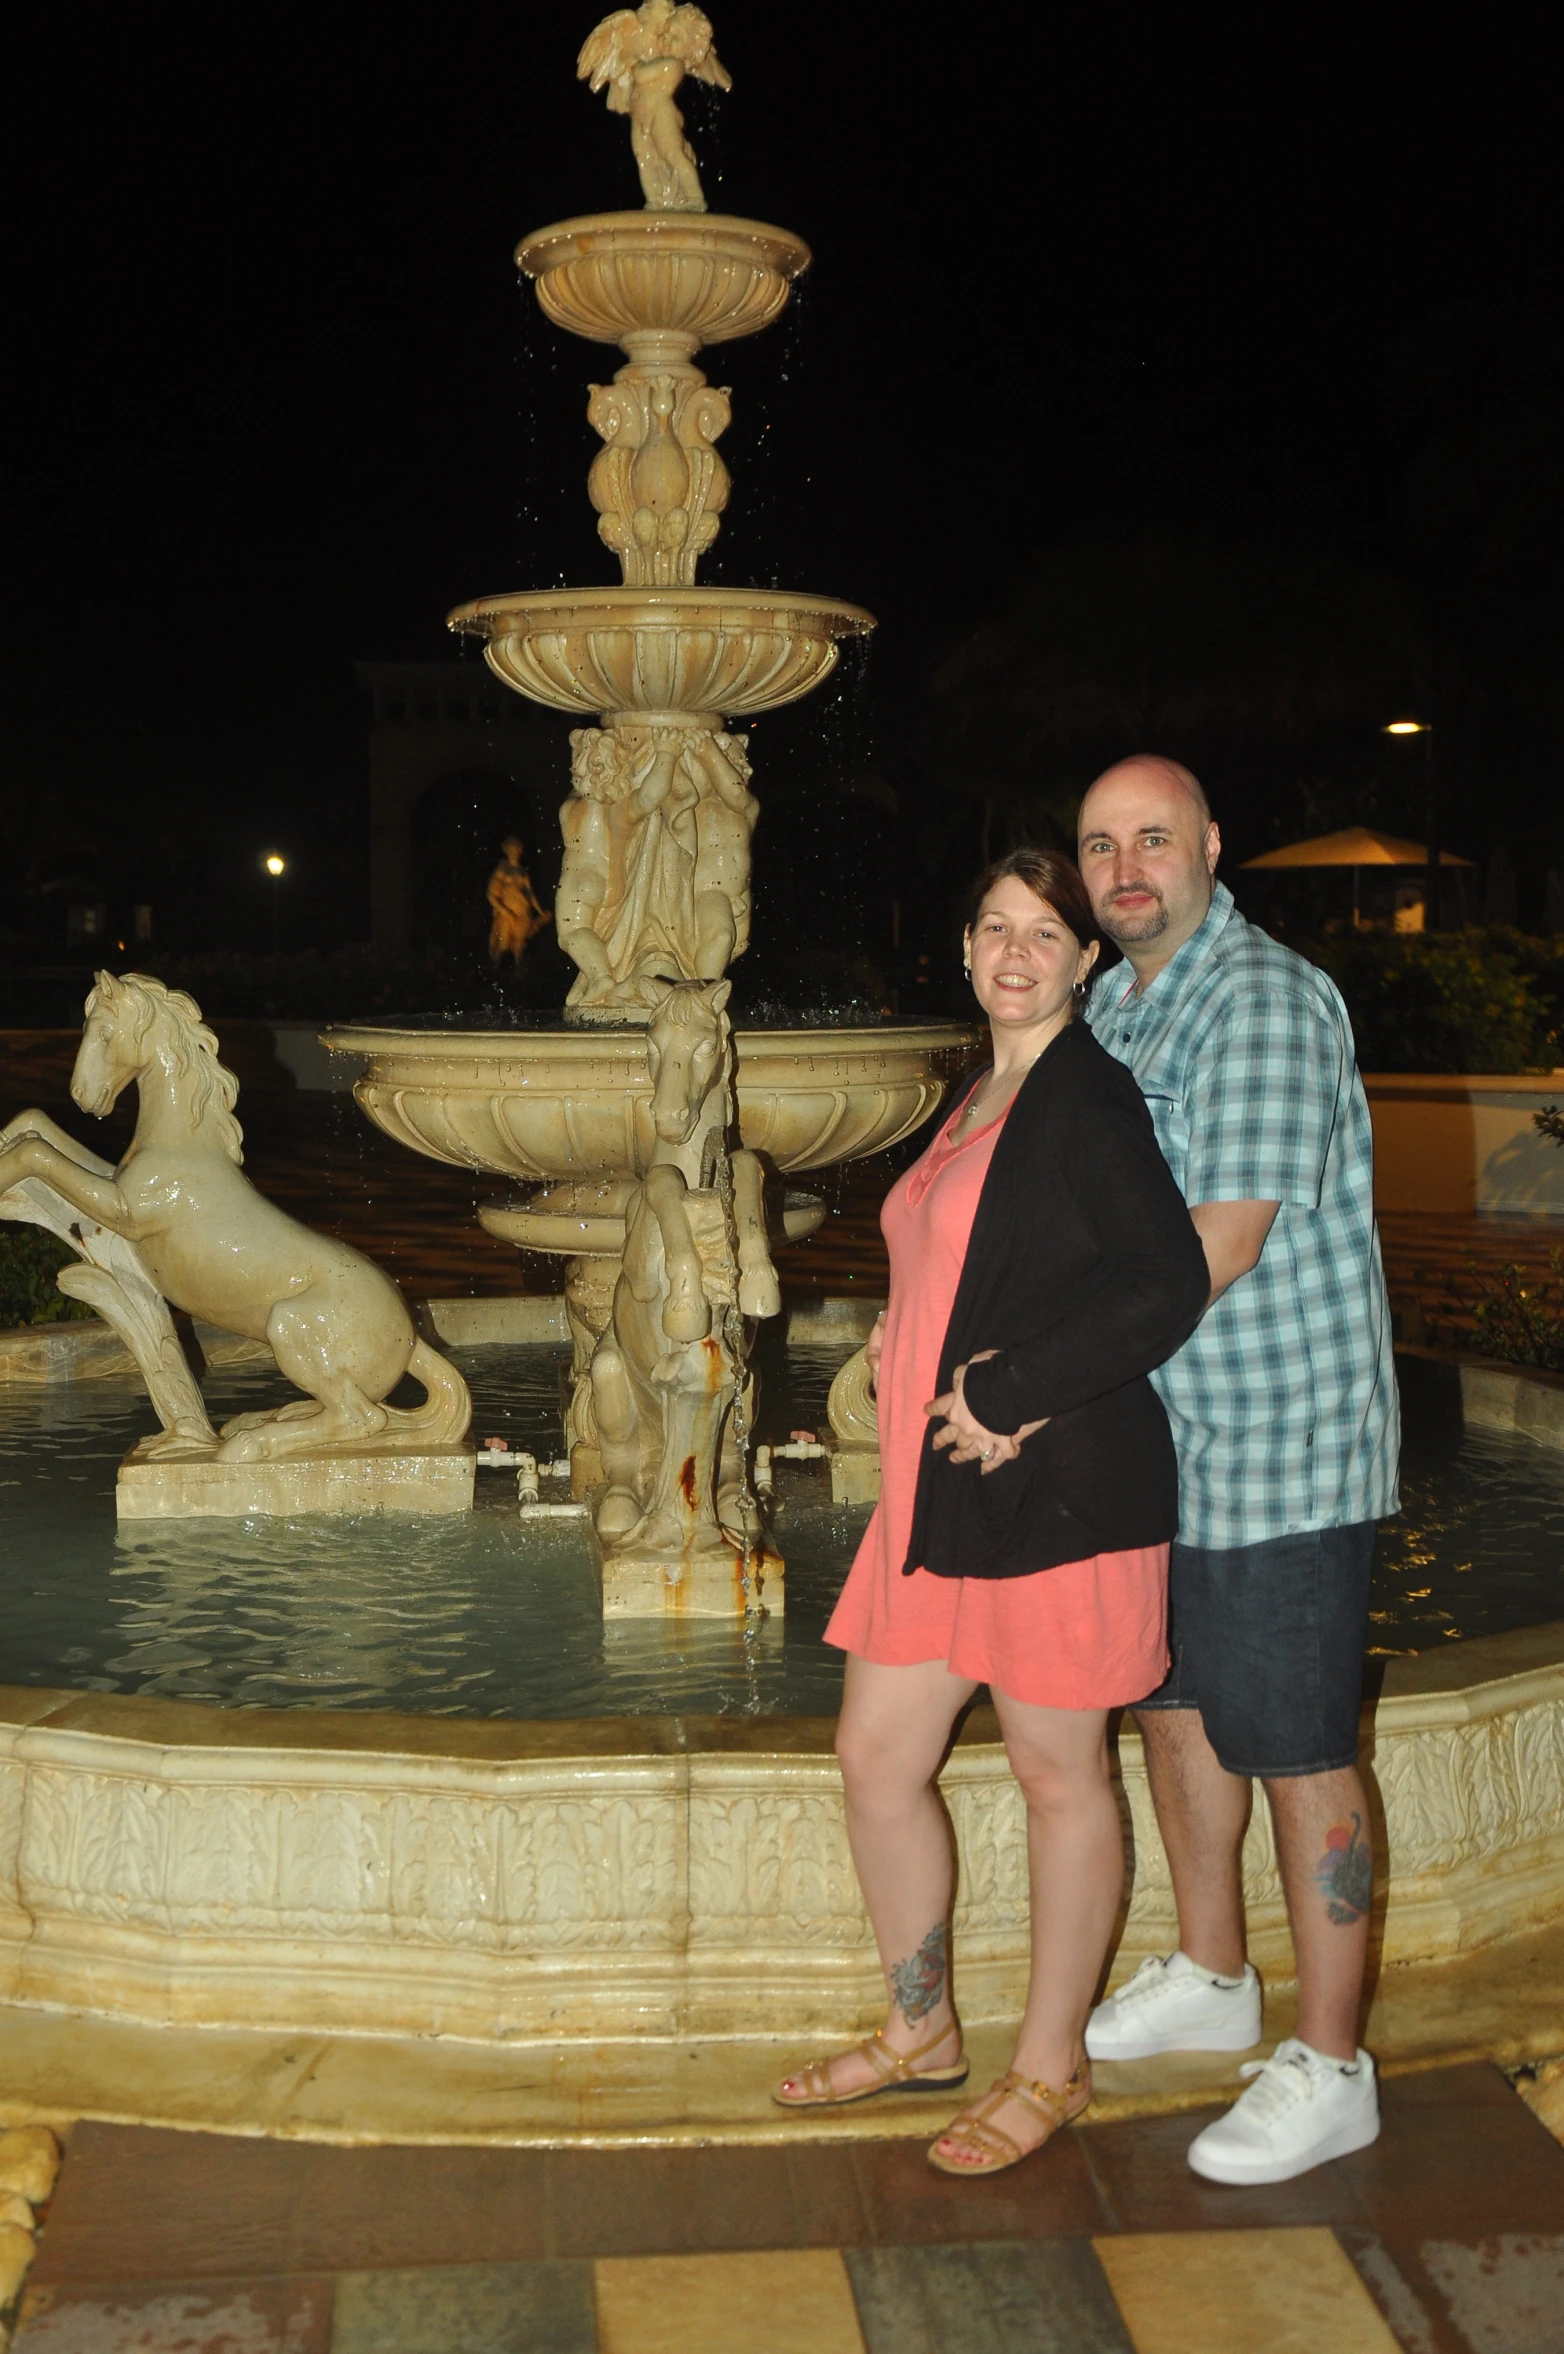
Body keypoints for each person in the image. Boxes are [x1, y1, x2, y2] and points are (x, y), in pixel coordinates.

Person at [774, 848, 1209, 2177]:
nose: (1016, 951)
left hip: (1060, 1492)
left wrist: (1012, 1388)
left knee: (1056, 1775)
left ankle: (1053, 2063)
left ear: (1085, 962)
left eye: (1045, 933)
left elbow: (1163, 1281)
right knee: (875, 1759)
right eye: (994, 928)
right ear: (964, 948)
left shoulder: (1087, 1094)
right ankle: (923, 2028)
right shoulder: (978, 1095)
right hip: (945, 1499)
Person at [1075, 756, 1400, 2187]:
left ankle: (1332, 2065)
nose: (1125, 866)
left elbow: (1223, 1241)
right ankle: (1215, 1975)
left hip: (1278, 1444)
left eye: (1153, 838)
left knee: (1298, 1746)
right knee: (1176, 1713)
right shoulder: (1112, 1001)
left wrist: (1038, 1380)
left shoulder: (1258, 999)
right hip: (1161, 1439)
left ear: (1212, 846)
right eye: (1099, 844)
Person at [486, 838, 551, 967]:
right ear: (507, 850)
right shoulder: (503, 868)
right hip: (507, 913)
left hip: (522, 912)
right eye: (512, 848)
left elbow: (529, 893)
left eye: (517, 849)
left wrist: (540, 911)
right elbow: (491, 894)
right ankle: (498, 971)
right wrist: (505, 912)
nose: (515, 851)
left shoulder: (522, 871)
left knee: (519, 946)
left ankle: (517, 975)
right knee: (503, 944)